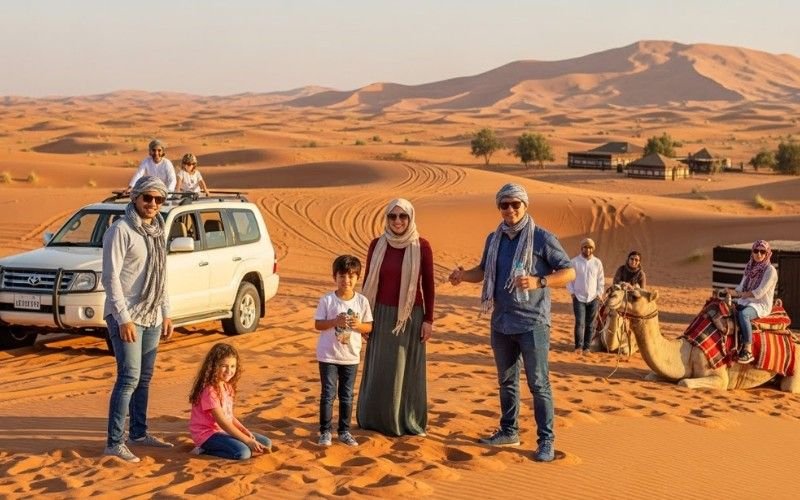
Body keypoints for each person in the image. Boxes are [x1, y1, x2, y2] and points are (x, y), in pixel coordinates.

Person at [448, 183, 574, 463]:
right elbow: (483, 271)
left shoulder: (542, 238)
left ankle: (546, 440)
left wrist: (540, 281)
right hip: (502, 322)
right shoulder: (494, 239)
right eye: (504, 205)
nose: (510, 210)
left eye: (515, 204)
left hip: (532, 323)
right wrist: (462, 276)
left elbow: (569, 272)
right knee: (506, 382)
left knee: (538, 384)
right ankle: (508, 431)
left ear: (525, 205)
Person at [102, 175, 174, 462]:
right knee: (128, 378)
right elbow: (110, 278)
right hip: (126, 316)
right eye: (148, 198)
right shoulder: (120, 230)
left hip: (152, 315)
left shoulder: (158, 231)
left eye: (159, 199)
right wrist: (123, 318)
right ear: (135, 198)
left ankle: (139, 433)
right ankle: (114, 442)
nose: (153, 203)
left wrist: (166, 312)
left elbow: (161, 276)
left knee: (144, 378)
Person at [357, 198, 434, 437]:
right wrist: (365, 318)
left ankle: (405, 420)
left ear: (410, 218)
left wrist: (428, 320)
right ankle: (374, 419)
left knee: (404, 369)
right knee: (380, 367)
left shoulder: (422, 246)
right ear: (387, 219)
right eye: (392, 216)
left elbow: (428, 285)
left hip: (409, 317)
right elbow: (368, 281)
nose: (397, 221)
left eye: (403, 216)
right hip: (380, 314)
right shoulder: (377, 245)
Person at [314, 255, 373, 447]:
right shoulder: (327, 300)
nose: (346, 280)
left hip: (351, 357)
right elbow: (318, 324)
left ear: (357, 278)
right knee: (328, 394)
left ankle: (344, 431)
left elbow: (369, 326)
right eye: (342, 276)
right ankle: (325, 431)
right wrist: (334, 322)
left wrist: (358, 325)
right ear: (335, 277)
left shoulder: (362, 301)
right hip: (328, 356)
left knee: (347, 395)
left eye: (351, 276)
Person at [188, 342, 272, 459]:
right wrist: (247, 441)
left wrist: (244, 430)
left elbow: (229, 417)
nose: (229, 371)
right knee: (243, 453)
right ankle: (204, 450)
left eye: (232, 366)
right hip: (208, 435)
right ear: (213, 366)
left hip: (224, 431)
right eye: (224, 366)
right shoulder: (209, 390)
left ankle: (237, 444)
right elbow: (223, 422)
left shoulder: (227, 387)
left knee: (266, 443)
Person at [726, 240, 778, 364]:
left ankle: (747, 349)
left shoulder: (770, 271)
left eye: (762, 252)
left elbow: (759, 293)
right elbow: (741, 287)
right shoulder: (750, 267)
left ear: (767, 253)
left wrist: (738, 294)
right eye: (756, 251)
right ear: (752, 252)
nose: (759, 254)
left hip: (760, 304)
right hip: (745, 301)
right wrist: (729, 291)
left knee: (744, 315)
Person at [566, 238, 605, 355]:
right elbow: (569, 279)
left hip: (593, 298)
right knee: (580, 323)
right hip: (578, 297)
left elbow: (600, 280)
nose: (588, 250)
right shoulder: (574, 262)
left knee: (590, 324)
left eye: (590, 248)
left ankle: (587, 347)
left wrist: (599, 294)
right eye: (585, 247)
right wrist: (572, 293)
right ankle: (578, 347)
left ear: (593, 249)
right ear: (581, 248)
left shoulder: (597, 262)